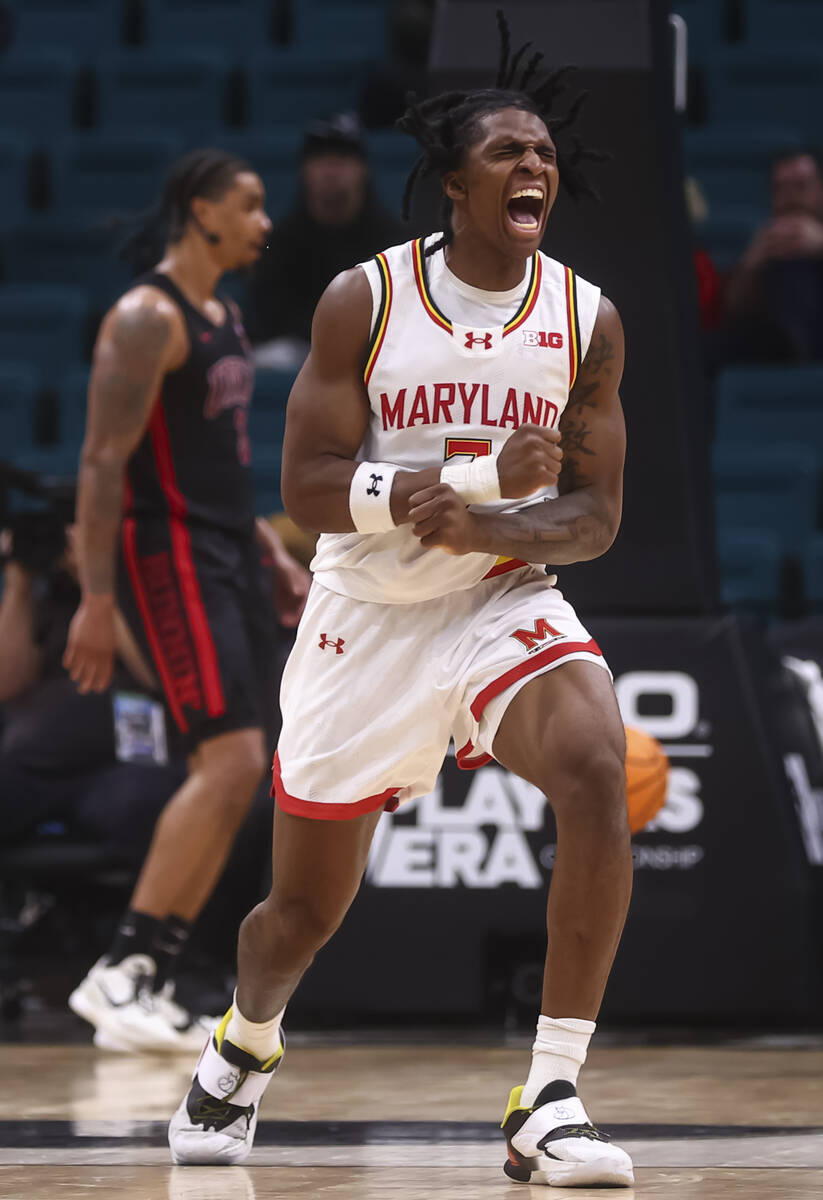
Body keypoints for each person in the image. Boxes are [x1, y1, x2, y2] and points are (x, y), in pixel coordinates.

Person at [170, 16, 634, 1189]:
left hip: (496, 599)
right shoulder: (364, 300)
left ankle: (552, 1092)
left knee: (593, 760)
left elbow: (593, 517)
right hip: (363, 619)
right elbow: (306, 490)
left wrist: (488, 530)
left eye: (543, 152)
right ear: (454, 182)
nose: (533, 166)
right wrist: (472, 485)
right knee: (298, 920)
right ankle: (244, 1045)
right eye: (507, 154)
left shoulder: (584, 320)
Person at [64, 149, 311, 1053]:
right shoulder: (144, 317)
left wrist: (270, 556)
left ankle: (147, 972)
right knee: (227, 759)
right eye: (249, 206)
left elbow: (219, 469)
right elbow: (98, 464)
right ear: (201, 211)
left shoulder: (227, 318)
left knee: (241, 767)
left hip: (222, 550)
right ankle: (120, 971)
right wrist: (95, 599)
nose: (264, 223)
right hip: (161, 551)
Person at [0, 518, 183, 865]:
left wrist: (97, 583)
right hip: (36, 761)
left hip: (128, 760)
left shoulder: (158, 577)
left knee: (142, 808)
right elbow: (7, 683)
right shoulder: (52, 594)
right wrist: (18, 581)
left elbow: (162, 677)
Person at [248, 113, 407, 369]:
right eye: (320, 159)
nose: (330, 169)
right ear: (304, 170)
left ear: (363, 170)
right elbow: (268, 316)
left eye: (342, 158)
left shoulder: (394, 243)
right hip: (298, 355)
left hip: (373, 353)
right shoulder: (277, 241)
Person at [722, 146, 823, 362]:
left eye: (801, 186)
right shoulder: (763, 244)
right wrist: (751, 263)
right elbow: (733, 309)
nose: (791, 197)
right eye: (781, 188)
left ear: (820, 189)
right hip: (771, 350)